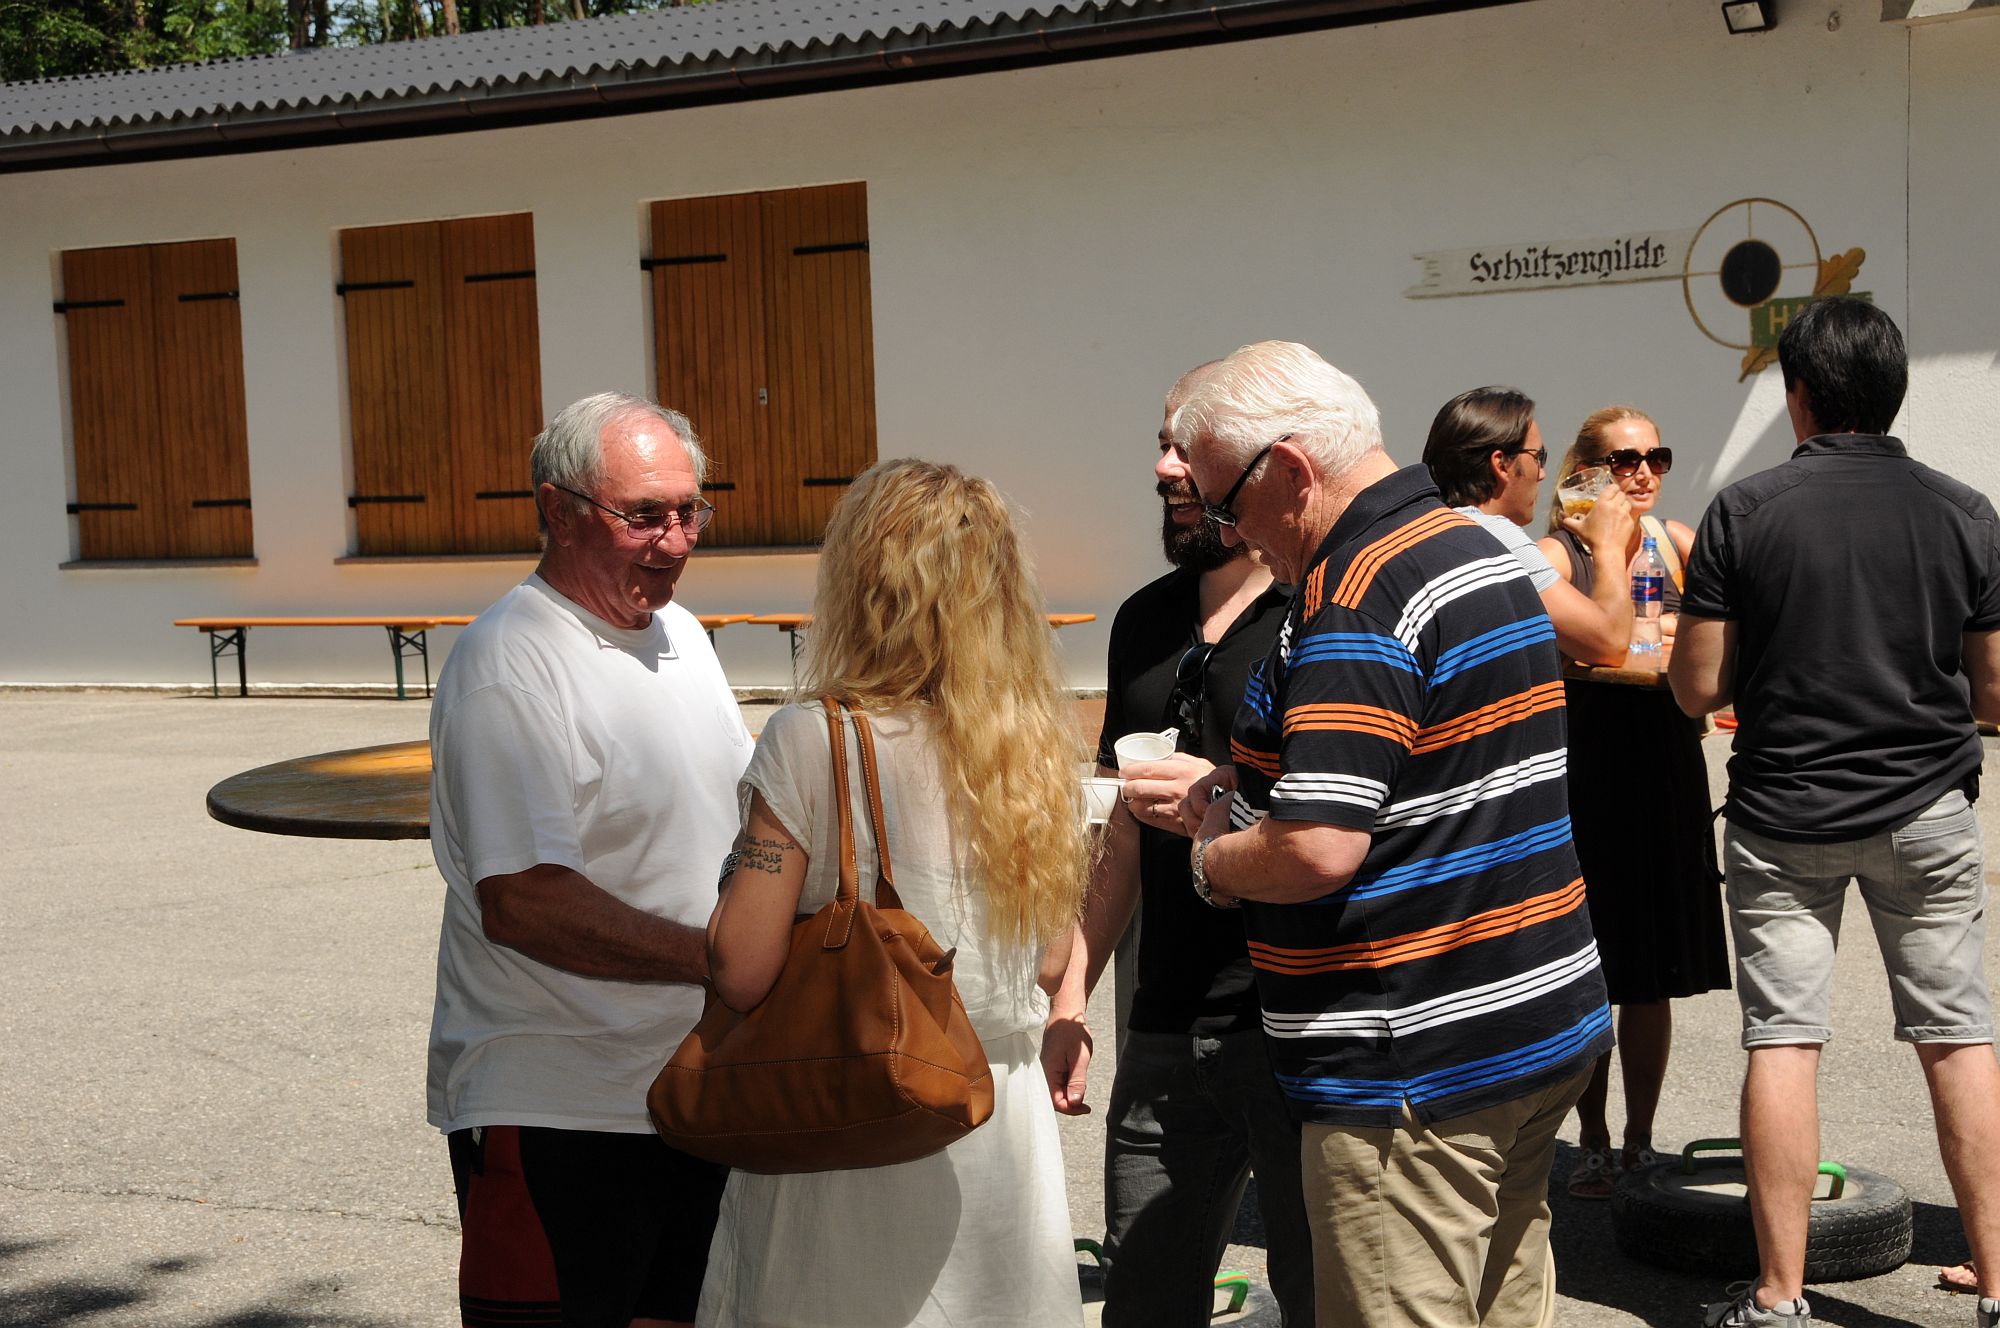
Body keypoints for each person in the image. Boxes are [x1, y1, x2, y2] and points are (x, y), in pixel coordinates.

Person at [1173, 341, 1612, 1327]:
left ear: (1290, 469)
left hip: (1414, 1060)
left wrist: (1211, 855)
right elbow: (1437, 770)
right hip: (1537, 1019)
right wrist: (1254, 786)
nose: (1227, 531)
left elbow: (1316, 848)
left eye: (1225, 504)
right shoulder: (1471, 545)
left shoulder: (1354, 592)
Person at [1670, 297, 2000, 1328]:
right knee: (1958, 1037)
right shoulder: (1964, 511)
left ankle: (1779, 1298)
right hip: (1926, 808)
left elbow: (1696, 686)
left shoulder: (1742, 510)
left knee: (1782, 1040)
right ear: (1892, 391)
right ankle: (1998, 1283)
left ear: (1799, 393)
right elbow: (1994, 693)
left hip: (1783, 815)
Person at [698, 458, 1089, 1328]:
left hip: (847, 1121)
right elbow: (1050, 960)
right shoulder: (1035, 748)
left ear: (860, 587)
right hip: (994, 1124)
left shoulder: (814, 738)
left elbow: (742, 969)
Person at [426, 392, 749, 1328]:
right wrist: (725, 958)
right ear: (558, 510)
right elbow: (524, 902)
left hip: (691, 1092)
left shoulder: (681, 635)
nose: (675, 541)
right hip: (563, 1108)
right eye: (643, 515)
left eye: (689, 511)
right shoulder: (509, 664)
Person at [1039, 363, 1313, 1325]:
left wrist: (1222, 801)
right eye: (1161, 444)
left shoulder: (1317, 614)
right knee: (1146, 1297)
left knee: (1321, 1296)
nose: (1164, 469)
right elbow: (1120, 824)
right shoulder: (1144, 619)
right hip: (1164, 1022)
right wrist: (1072, 994)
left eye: (1187, 448)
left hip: (1292, 1026)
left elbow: (1344, 826)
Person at [1535, 406, 1729, 1199]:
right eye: (1624, 459)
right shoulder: (1559, 553)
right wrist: (1644, 647)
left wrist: (1660, 652)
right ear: (1585, 468)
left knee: (1651, 974)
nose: (1643, 471)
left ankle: (1641, 1140)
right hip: (1586, 768)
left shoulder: (1678, 542)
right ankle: (1591, 1140)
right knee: (1591, 969)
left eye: (1656, 455)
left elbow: (1714, 651)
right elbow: (1581, 649)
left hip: (1664, 761)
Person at [1420, 385, 1636, 667]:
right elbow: (1609, 644)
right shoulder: (1494, 537)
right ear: (1501, 464)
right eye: (1538, 457)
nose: (1543, 474)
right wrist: (1609, 546)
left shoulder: (1426, 522)